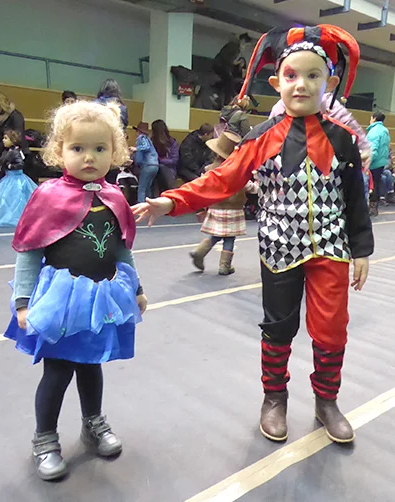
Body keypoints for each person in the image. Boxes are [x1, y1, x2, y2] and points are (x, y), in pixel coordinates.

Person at [133, 24, 374, 445]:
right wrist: (170, 201)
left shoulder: (344, 140)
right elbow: (221, 179)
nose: (301, 84)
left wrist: (362, 250)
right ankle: (274, 398)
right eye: (292, 75)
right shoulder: (262, 138)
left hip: (332, 249)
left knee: (332, 329)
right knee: (277, 327)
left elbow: (355, 197)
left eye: (313, 75)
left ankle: (327, 401)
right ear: (276, 82)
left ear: (330, 83)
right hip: (279, 248)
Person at [4, 100, 147, 481]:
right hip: (62, 303)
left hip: (100, 299)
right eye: (78, 148)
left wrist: (137, 289)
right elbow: (30, 251)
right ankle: (45, 438)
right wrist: (22, 301)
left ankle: (92, 423)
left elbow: (121, 249)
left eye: (100, 148)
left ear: (114, 152)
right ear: (59, 151)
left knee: (91, 365)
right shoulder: (48, 195)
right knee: (57, 372)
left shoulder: (114, 197)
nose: (89, 157)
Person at [189, 131, 257, 275]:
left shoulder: (209, 170)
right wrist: (258, 185)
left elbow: (202, 186)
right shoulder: (238, 172)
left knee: (217, 234)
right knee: (229, 237)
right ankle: (224, 266)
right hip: (234, 209)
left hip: (215, 207)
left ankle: (200, 251)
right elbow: (250, 187)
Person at [0, 129, 37, 227]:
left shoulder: (15, 152)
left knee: (16, 199)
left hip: (15, 179)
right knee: (6, 198)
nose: (3, 140)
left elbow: (20, 164)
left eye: (6, 138)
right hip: (9, 177)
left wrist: (10, 166)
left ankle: (14, 217)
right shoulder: (9, 151)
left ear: (12, 140)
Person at [213, 33, 252, 105]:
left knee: (229, 81)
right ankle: (228, 101)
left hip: (220, 66)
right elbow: (224, 57)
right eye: (246, 45)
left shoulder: (234, 47)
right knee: (229, 81)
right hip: (219, 66)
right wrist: (235, 63)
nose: (245, 48)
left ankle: (227, 99)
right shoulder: (234, 46)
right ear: (243, 41)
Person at [366, 111, 391, 216]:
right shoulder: (385, 131)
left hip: (374, 162)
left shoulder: (374, 131)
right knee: (375, 183)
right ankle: (373, 207)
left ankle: (372, 208)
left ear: (374, 118)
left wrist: (368, 161)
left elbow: (373, 149)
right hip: (381, 162)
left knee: (371, 184)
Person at [151, 119, 179, 193]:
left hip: (169, 169)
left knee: (161, 168)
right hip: (155, 169)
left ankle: (170, 192)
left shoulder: (172, 143)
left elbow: (174, 161)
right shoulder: (152, 142)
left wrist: (160, 160)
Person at [134, 121, 159, 202]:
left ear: (138, 131)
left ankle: (140, 205)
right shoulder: (148, 139)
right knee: (148, 187)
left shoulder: (141, 138)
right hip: (155, 165)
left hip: (147, 165)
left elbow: (145, 147)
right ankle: (149, 204)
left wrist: (136, 149)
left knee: (141, 188)